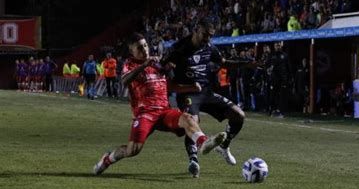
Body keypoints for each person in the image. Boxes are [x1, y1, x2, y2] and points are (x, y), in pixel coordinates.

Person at [93, 33, 227, 177]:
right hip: (145, 114)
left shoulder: (157, 64)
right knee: (133, 150)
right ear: (132, 51)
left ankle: (203, 142)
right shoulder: (130, 64)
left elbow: (169, 86)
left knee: (188, 119)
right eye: (139, 48)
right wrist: (144, 65)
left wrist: (187, 85)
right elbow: (124, 81)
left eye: (145, 45)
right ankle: (107, 159)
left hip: (164, 112)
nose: (144, 50)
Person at [162, 19, 253, 177]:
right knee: (193, 121)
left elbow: (224, 63)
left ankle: (224, 146)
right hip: (187, 93)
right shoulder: (178, 49)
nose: (207, 39)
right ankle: (193, 160)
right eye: (205, 35)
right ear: (196, 29)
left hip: (206, 93)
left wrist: (245, 64)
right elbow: (164, 70)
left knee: (239, 115)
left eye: (210, 36)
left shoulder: (209, 47)